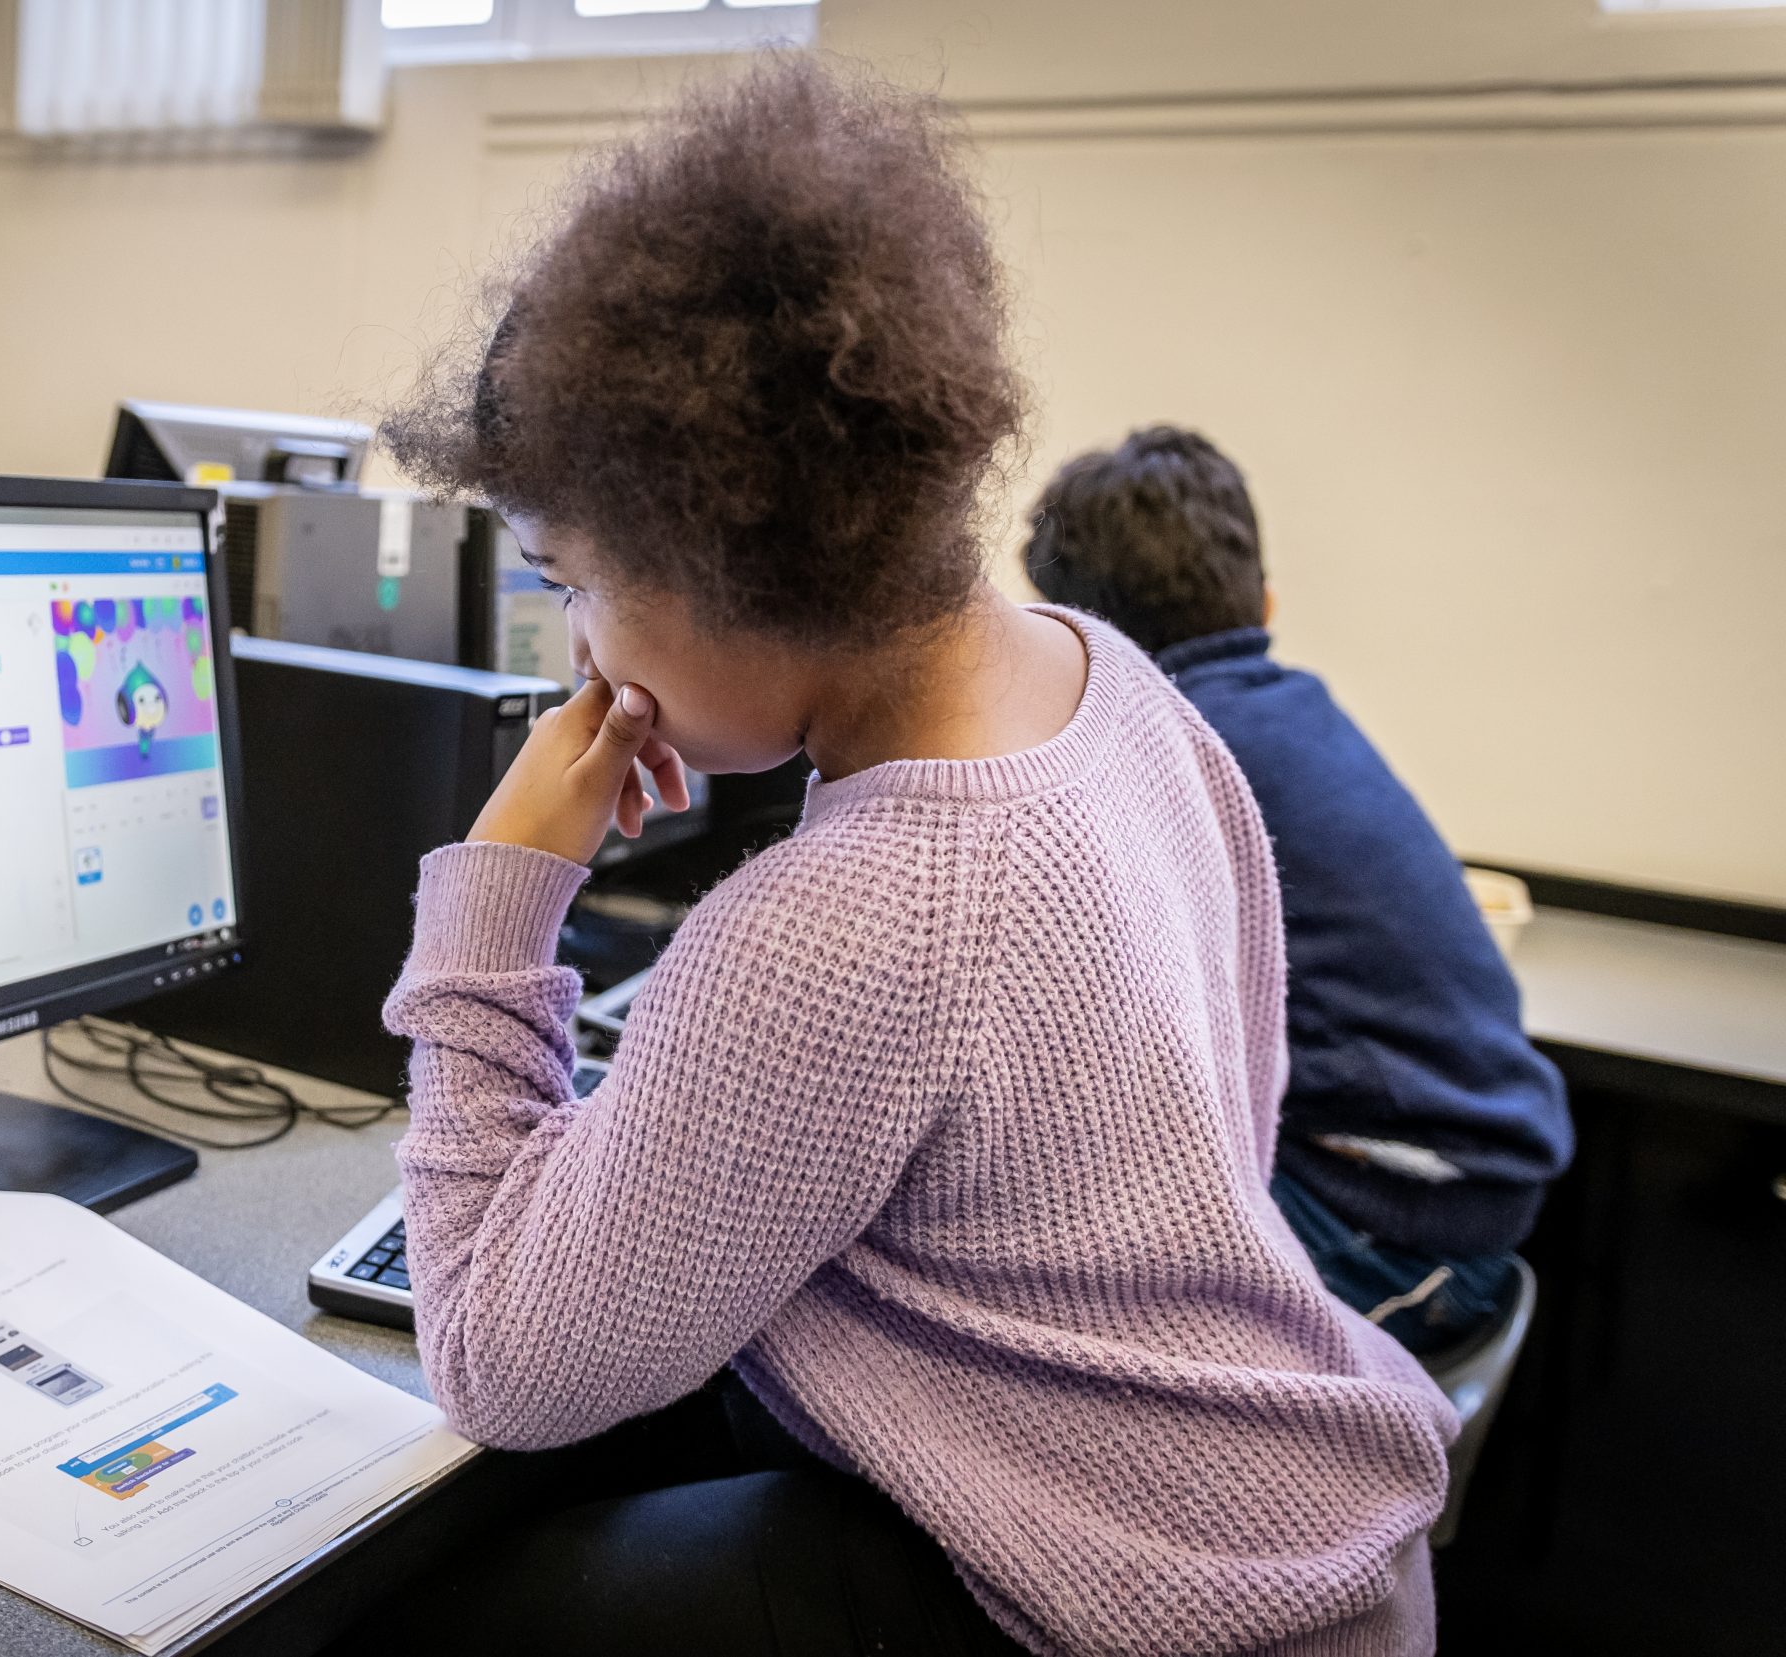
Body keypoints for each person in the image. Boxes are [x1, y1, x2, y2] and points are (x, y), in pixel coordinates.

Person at [347, 57, 1451, 1657]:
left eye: (572, 582)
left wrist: (497, 903)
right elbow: (1223, 1108)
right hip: (1309, 1549)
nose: (579, 647)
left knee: (417, 1610)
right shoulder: (1109, 684)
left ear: (714, 553)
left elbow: (501, 1364)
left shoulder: (855, 913)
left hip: (1163, 1616)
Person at [1021, 426, 1573, 1357]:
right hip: (1462, 1194)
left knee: (1010, 1297)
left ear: (1074, 641)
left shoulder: (1174, 754)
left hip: (1395, 1228)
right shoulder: (1291, 713)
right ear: (1265, 600)